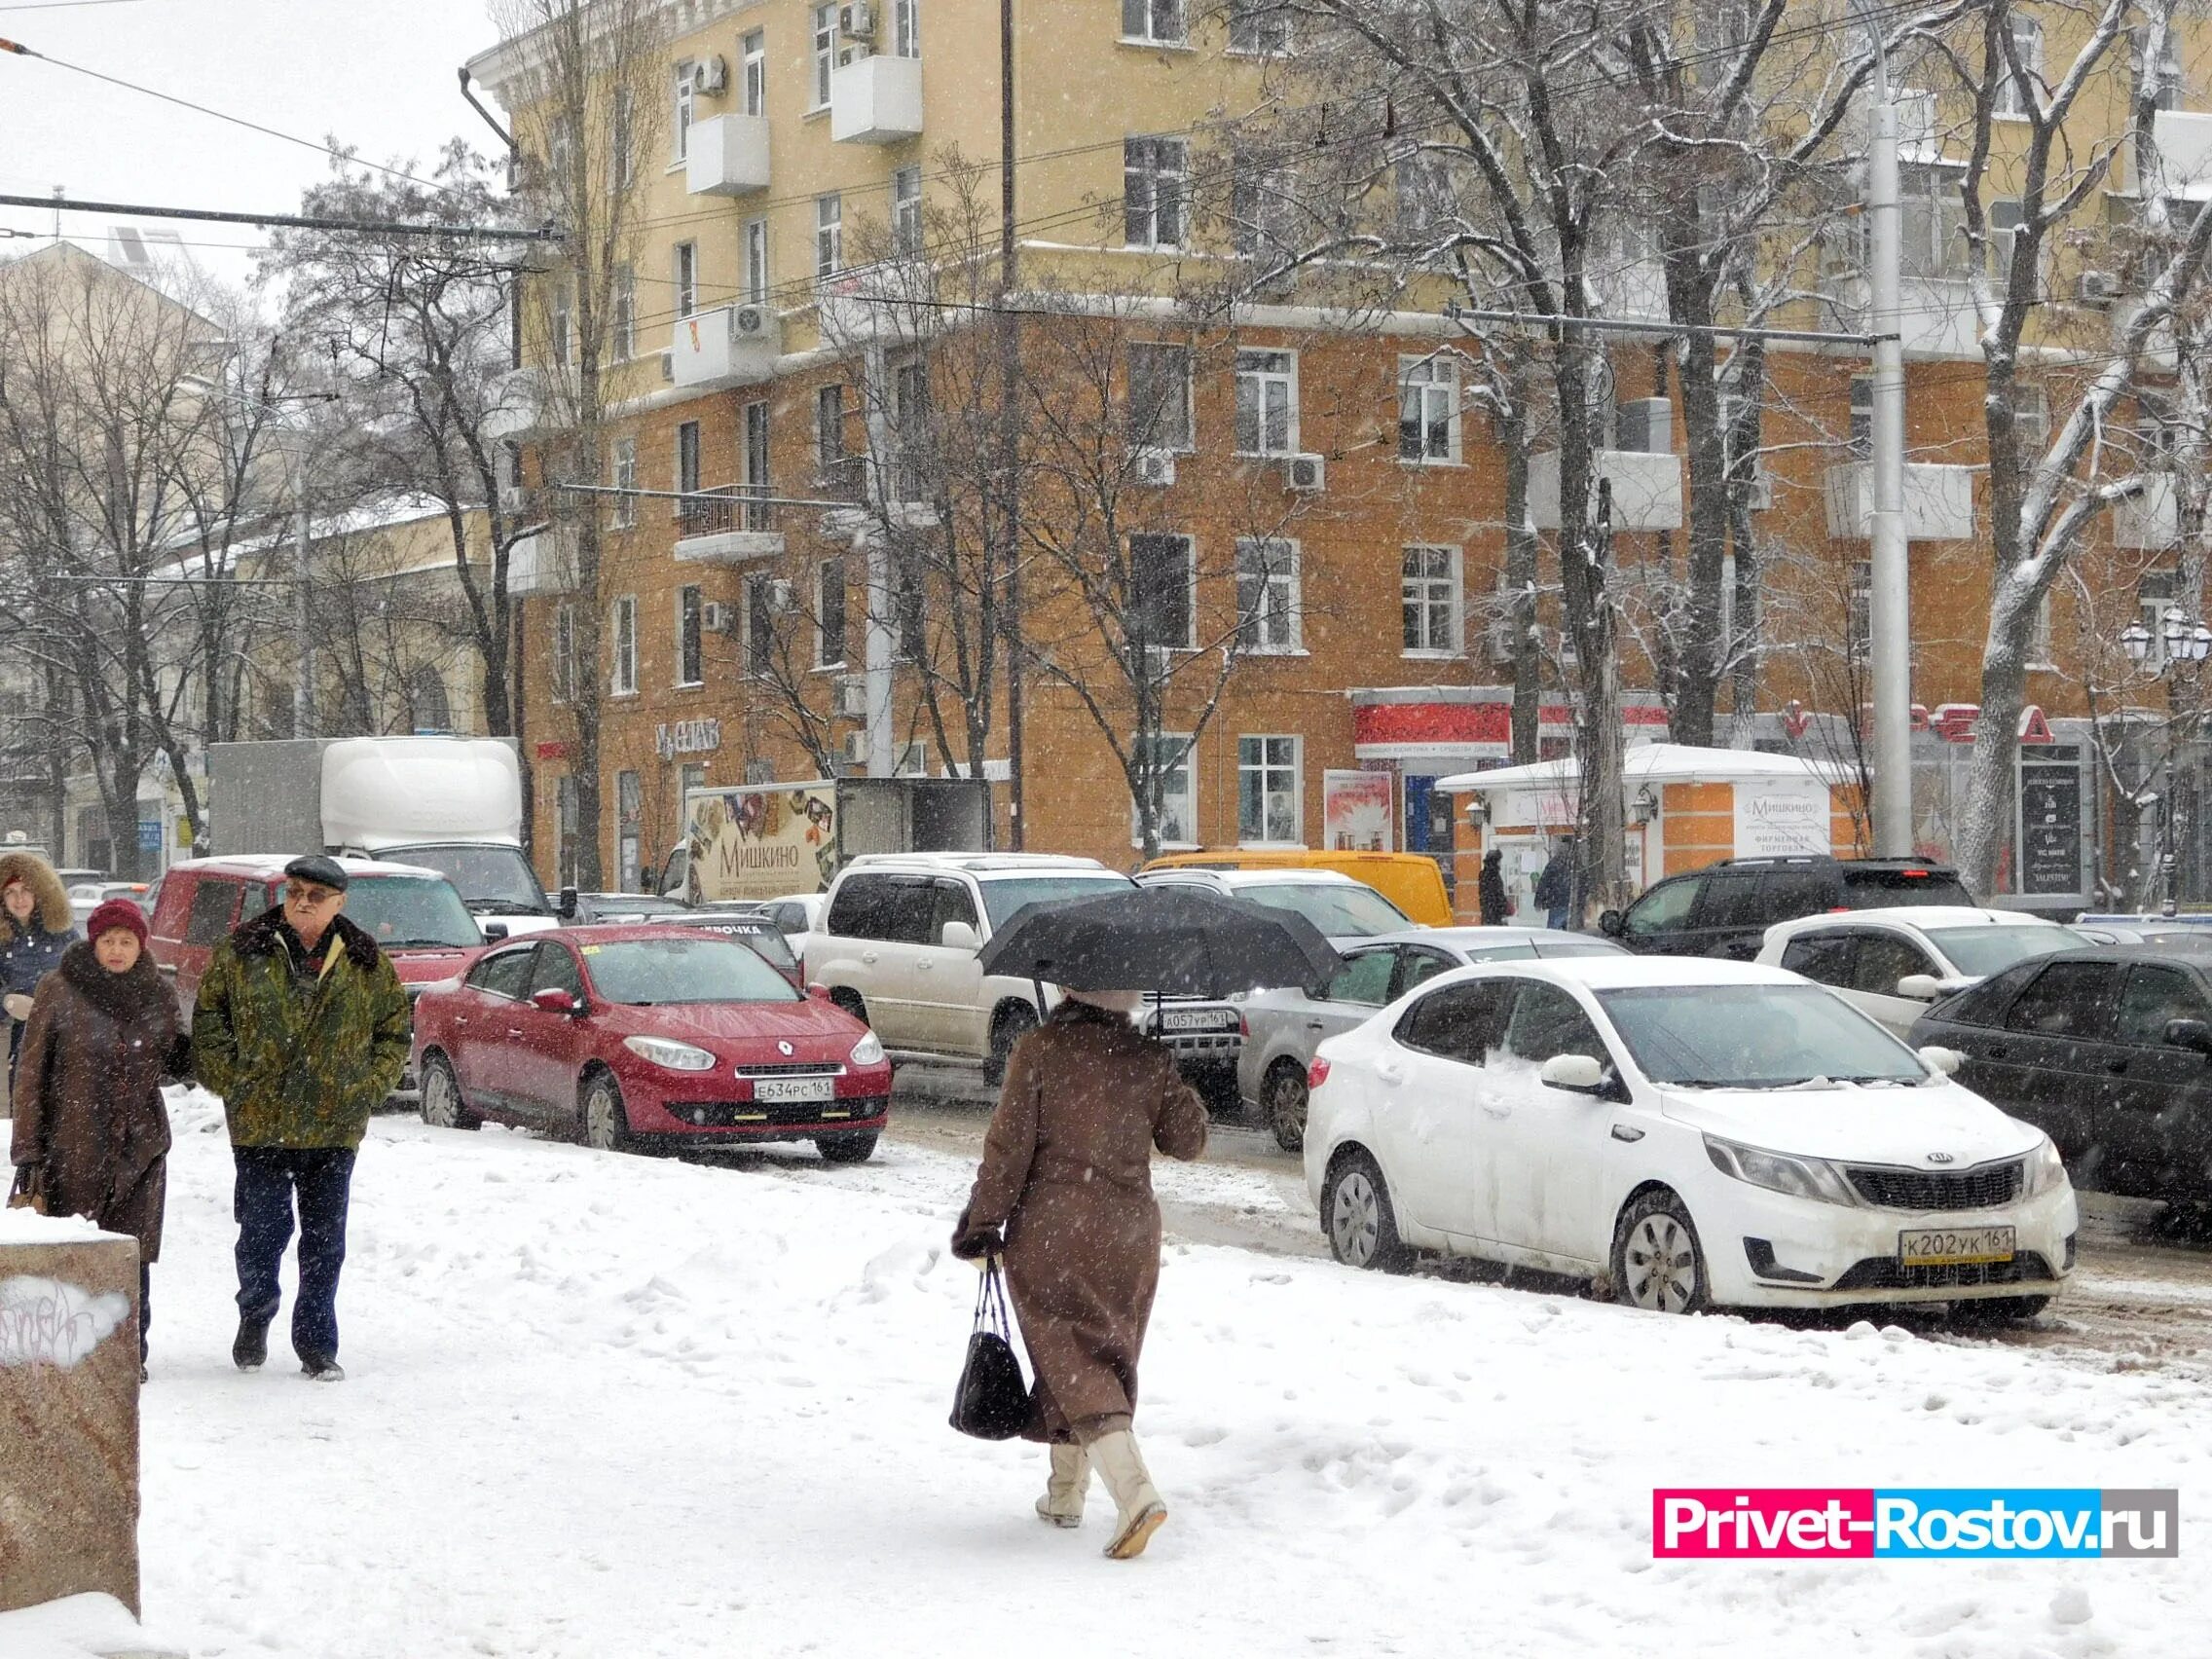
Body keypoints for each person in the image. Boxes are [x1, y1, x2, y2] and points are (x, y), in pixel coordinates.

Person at [951, 987, 1208, 1562]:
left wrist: (983, 1222)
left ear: (1067, 987)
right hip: (1129, 1237)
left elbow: (1008, 1149)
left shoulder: (1039, 1050)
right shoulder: (1147, 1057)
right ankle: (1065, 1493)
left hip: (1054, 1231)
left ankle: (1135, 1492)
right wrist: (1169, 1072)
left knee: (1070, 1355)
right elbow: (1187, 1141)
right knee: (1096, 1354)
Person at [191, 855, 410, 1382]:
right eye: (293, 893)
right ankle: (256, 1313)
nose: (302, 903)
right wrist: (233, 1079)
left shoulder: (364, 960)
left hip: (334, 1124)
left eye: (315, 895)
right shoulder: (243, 951)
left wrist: (367, 1088)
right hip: (262, 1122)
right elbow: (209, 1018)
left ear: (339, 903)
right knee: (262, 1235)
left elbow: (394, 1029)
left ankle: (316, 1345)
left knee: (324, 1244)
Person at [9, 899, 183, 1380]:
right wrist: (28, 1151)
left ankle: (130, 1352)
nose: (117, 950)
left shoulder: (157, 993)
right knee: (72, 1251)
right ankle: (69, 1350)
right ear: (93, 941)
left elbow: (175, 1060)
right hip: (73, 1143)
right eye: (108, 940)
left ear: (140, 945)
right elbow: (31, 1073)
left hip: (141, 1146)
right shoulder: (60, 990)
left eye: (127, 941)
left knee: (132, 1255)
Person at [1, 851, 74, 1100]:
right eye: (10, 892)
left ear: (39, 891)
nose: (18, 899)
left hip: (65, 1036)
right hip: (19, 1039)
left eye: (25, 890)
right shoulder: (2, 941)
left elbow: (87, 981)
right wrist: (6, 1001)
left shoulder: (63, 933)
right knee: (25, 1114)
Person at [1534, 834, 1580, 931]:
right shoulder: (1576, 864)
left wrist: (1539, 900)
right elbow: (1584, 883)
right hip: (1572, 905)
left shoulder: (1555, 863)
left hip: (1557, 903)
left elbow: (1544, 882)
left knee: (1553, 932)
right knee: (1572, 934)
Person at [1477, 849, 1512, 927]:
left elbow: (1485, 897)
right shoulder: (1494, 876)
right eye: (1499, 861)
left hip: (1487, 914)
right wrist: (1504, 910)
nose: (1500, 863)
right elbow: (1498, 895)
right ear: (1495, 861)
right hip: (1495, 915)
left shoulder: (1484, 875)